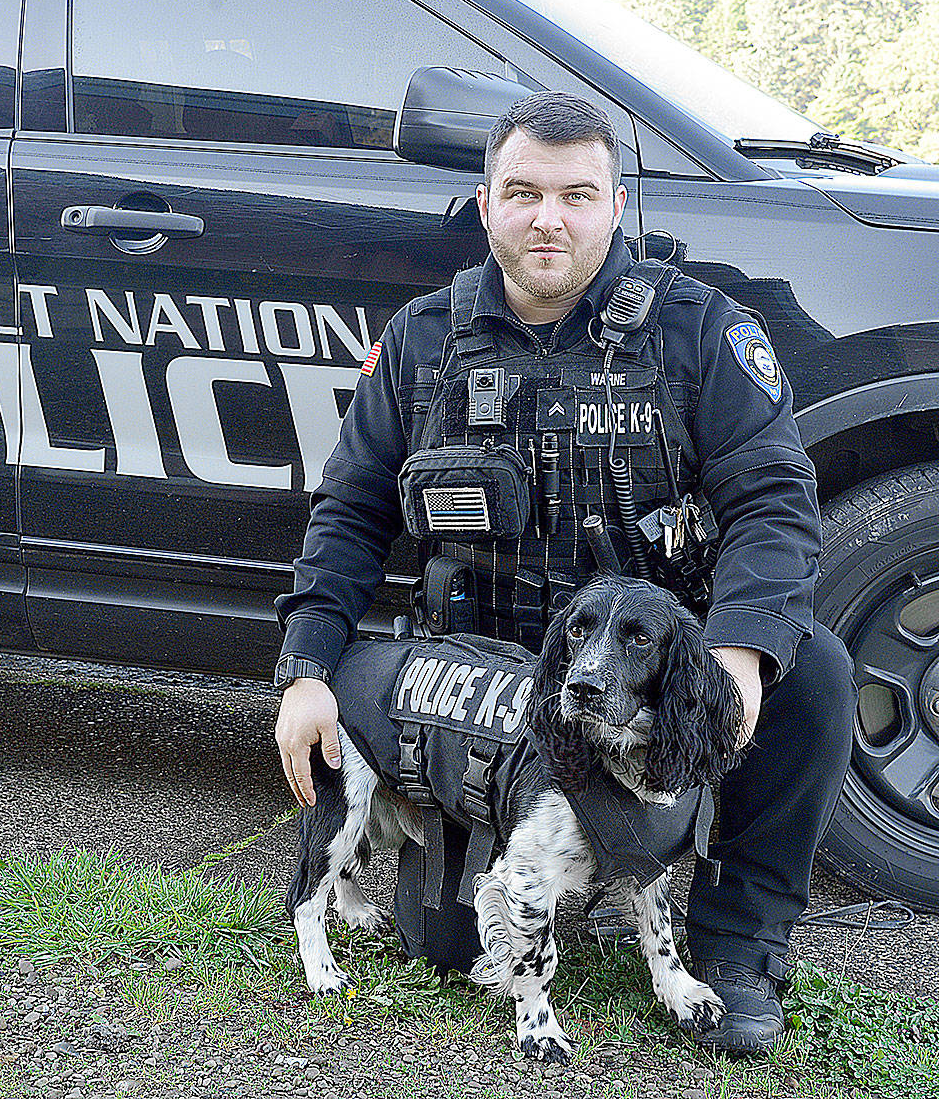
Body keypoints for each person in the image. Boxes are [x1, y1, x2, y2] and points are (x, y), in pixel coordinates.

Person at [272, 91, 854, 1056]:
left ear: (615, 205)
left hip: (646, 666)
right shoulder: (423, 341)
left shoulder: (698, 333)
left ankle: (738, 943)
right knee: (457, 949)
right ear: (486, 203)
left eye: (576, 194)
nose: (550, 217)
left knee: (817, 672)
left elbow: (775, 502)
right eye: (524, 192)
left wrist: (740, 656)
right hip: (490, 680)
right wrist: (307, 671)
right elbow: (350, 515)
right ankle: (565, 879)